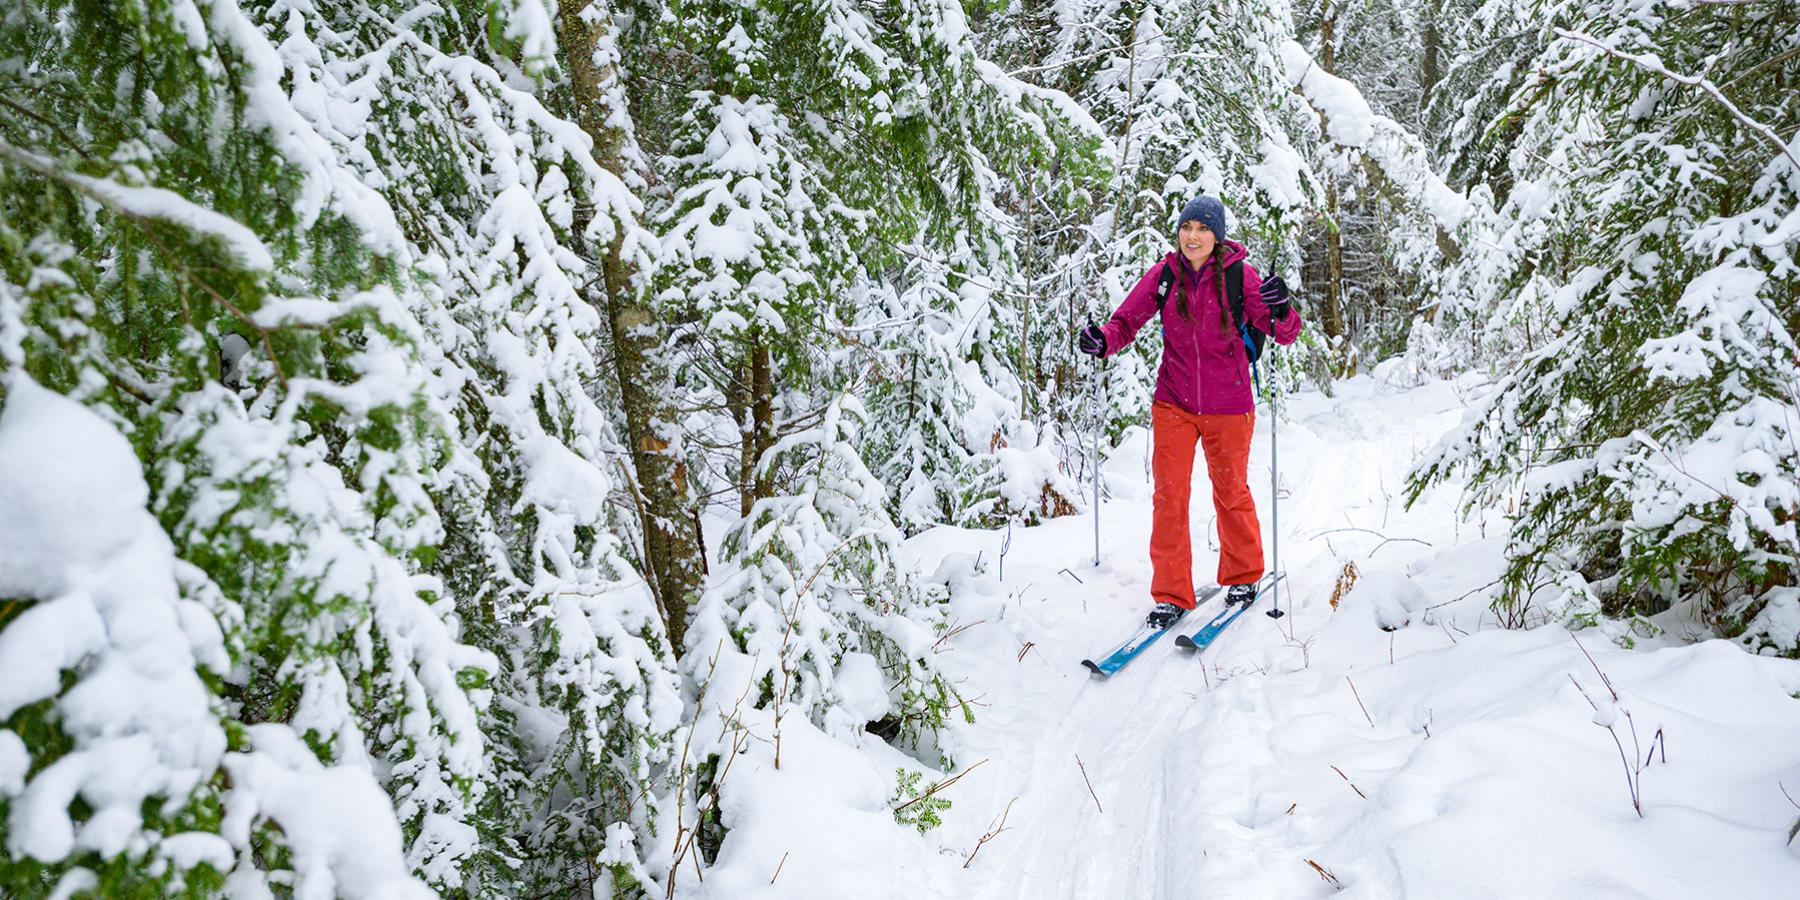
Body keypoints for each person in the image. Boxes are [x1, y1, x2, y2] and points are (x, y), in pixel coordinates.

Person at [1077, 196, 1303, 629]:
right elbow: (1126, 321)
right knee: (1168, 497)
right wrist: (1102, 341)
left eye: (1202, 229)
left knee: (1231, 491)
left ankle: (1242, 576)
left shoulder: (1241, 275)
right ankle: (1170, 594)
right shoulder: (1166, 275)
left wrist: (1281, 307)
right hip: (1174, 402)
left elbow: (1284, 333)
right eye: (1186, 228)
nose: (1192, 236)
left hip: (1230, 405)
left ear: (1217, 236)